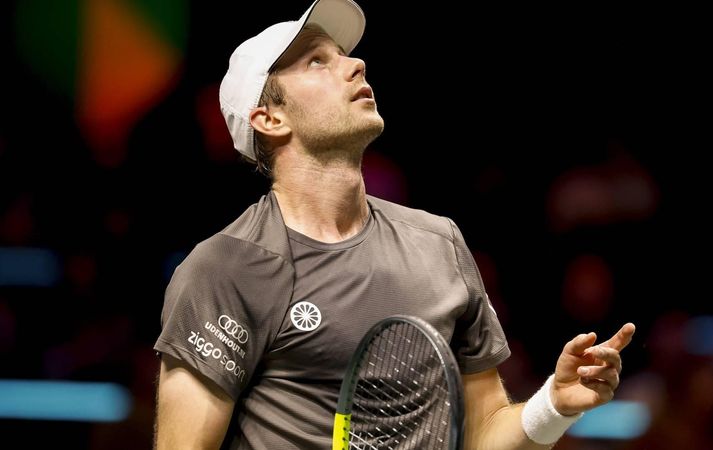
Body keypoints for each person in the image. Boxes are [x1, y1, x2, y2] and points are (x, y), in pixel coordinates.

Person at [153, 0, 636, 448]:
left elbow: (484, 429)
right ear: (270, 118)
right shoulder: (225, 268)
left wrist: (553, 404)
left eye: (343, 54)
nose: (354, 64)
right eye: (316, 61)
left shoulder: (439, 243)